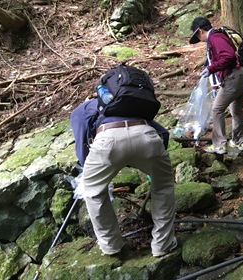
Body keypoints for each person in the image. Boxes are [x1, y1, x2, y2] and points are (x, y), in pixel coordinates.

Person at [70, 98, 177, 257]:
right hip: (146, 137)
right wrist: (155, 169)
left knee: (94, 193)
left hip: (107, 140)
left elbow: (82, 146)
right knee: (163, 186)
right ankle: (163, 243)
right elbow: (163, 133)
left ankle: (111, 245)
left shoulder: (80, 112)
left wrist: (89, 170)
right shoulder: (128, 102)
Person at [189, 17, 243, 154]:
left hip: (236, 75)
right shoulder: (220, 36)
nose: (199, 40)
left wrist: (211, 69)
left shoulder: (215, 38)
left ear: (200, 31)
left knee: (217, 109)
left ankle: (219, 144)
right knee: (236, 109)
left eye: (198, 36)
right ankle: (238, 142)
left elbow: (228, 56)